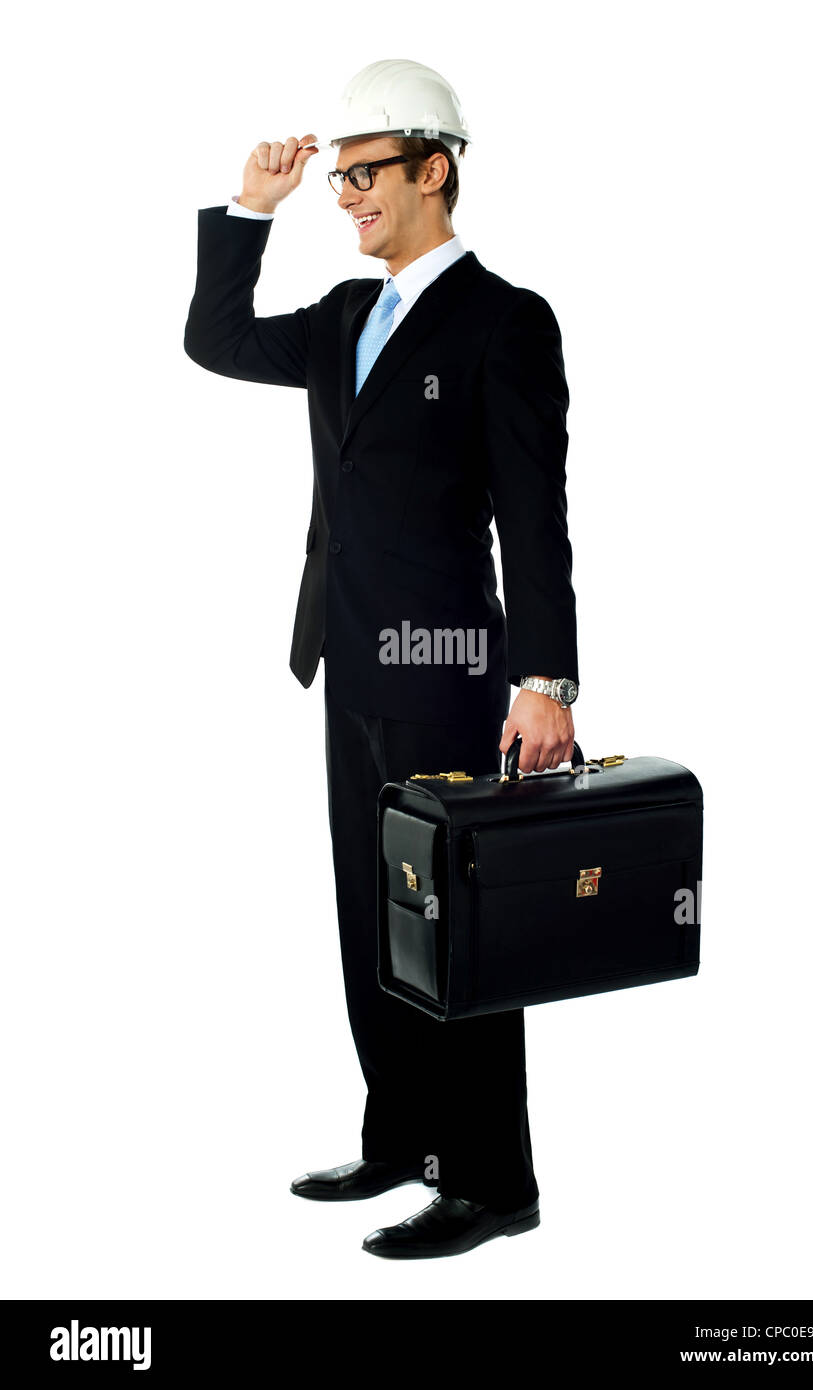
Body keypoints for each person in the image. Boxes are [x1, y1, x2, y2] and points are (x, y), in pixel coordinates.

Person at [184, 59, 579, 1259]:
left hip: (452, 671)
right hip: (348, 666)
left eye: (363, 174)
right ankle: (402, 1135)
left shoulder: (505, 321)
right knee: (372, 914)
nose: (345, 195)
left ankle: (495, 1179)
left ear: (434, 169)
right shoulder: (349, 317)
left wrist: (545, 683)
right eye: (339, 177)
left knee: (458, 927)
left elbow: (535, 517)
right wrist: (250, 212)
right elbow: (214, 338)